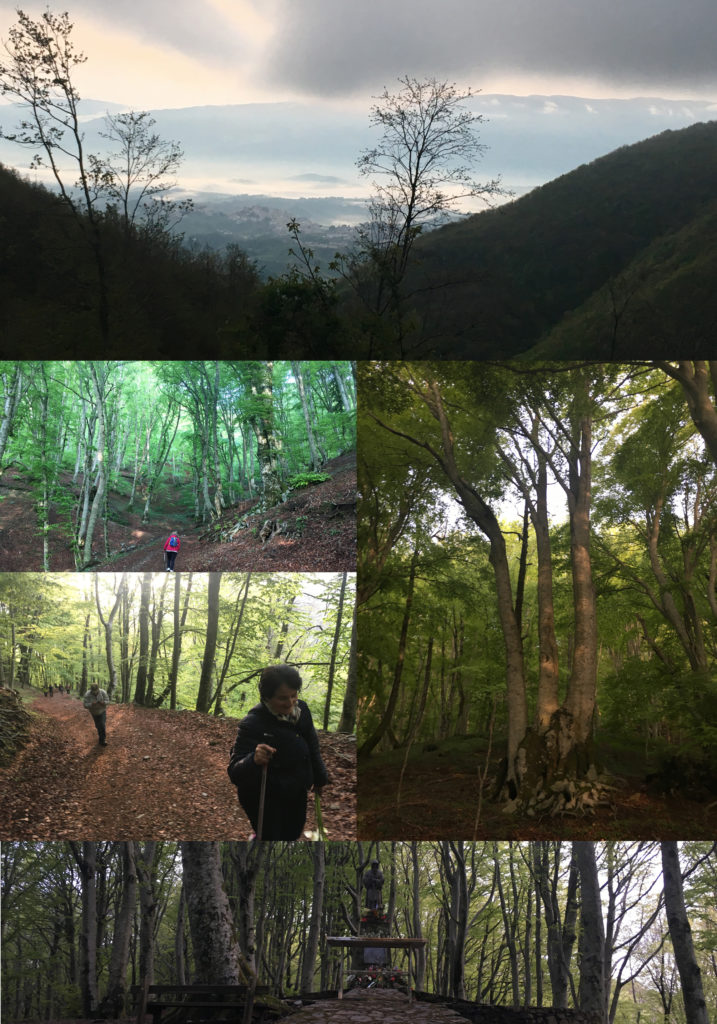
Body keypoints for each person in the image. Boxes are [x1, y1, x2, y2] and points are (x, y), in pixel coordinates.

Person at [227, 664, 328, 840]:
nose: (290, 702)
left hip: (296, 789)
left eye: (294, 695)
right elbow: (235, 772)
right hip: (264, 796)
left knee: (293, 834)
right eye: (282, 698)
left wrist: (319, 777)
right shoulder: (252, 724)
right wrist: (253, 759)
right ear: (267, 697)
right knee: (270, 836)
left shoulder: (302, 711)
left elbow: (312, 743)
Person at [83, 682, 110, 746]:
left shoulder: (103, 692)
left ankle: (102, 740)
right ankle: (100, 735)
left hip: (102, 711)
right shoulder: (87, 694)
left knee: (102, 724)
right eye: (93, 691)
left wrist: (103, 703)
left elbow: (108, 701)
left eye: (96, 691)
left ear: (98, 689)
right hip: (94, 712)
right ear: (91, 690)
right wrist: (91, 704)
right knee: (98, 726)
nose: (95, 693)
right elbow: (85, 705)